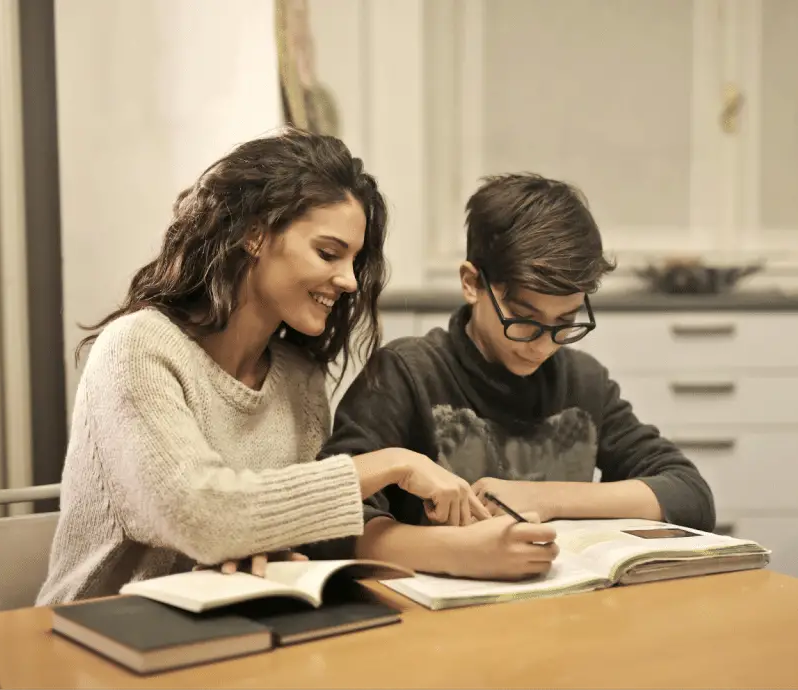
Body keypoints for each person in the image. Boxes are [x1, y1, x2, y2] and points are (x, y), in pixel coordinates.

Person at [37, 128, 488, 606]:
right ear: (255, 233)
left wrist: (271, 551)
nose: (349, 281)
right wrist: (392, 463)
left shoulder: (299, 378)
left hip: (234, 634)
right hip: (96, 639)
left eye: (355, 260)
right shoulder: (137, 349)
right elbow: (204, 516)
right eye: (329, 253)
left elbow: (277, 533)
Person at [320, 173, 715, 581]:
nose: (543, 346)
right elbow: (325, 522)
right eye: (524, 321)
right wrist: (455, 552)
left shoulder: (583, 381)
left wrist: (543, 498)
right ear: (472, 283)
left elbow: (688, 493)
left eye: (565, 322)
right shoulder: (406, 374)